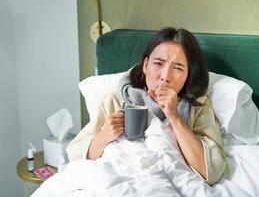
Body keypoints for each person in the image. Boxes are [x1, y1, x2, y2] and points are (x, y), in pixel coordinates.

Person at [67, 27, 226, 185]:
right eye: (158, 63)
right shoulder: (114, 100)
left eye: (177, 68)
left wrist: (175, 117)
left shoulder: (197, 107)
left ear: (188, 75)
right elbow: (75, 156)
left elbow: (211, 171)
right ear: (145, 65)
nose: (165, 77)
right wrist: (105, 135)